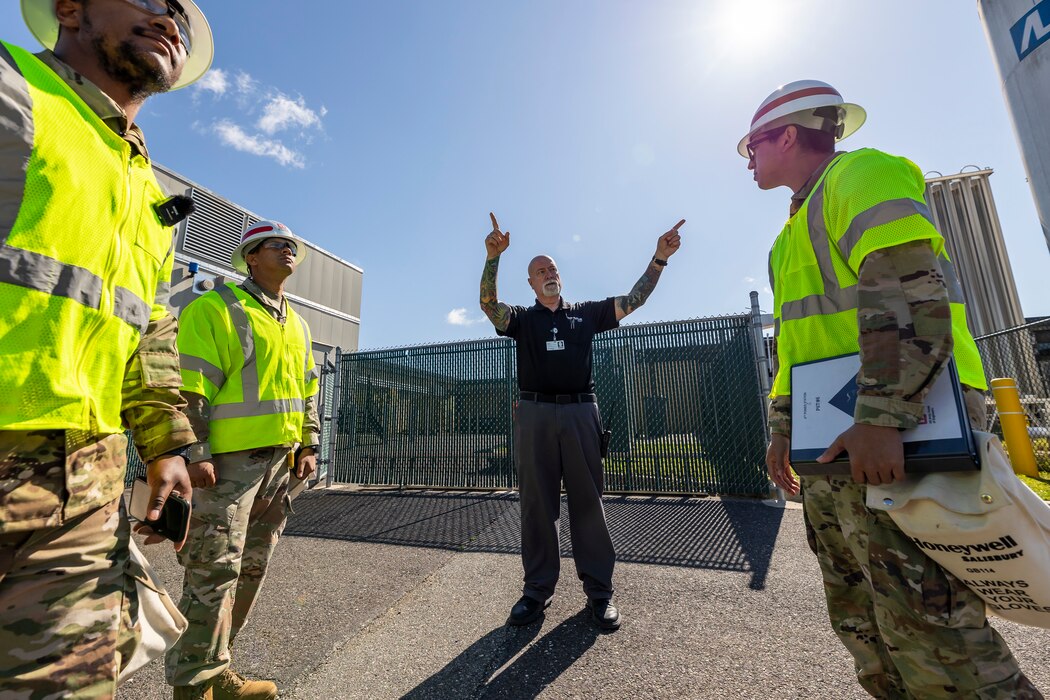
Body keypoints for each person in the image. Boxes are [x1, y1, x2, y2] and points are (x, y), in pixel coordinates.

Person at [747, 79, 1041, 698]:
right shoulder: (784, 239)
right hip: (837, 439)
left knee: (934, 632)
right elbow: (796, 346)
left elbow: (909, 290)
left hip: (904, 422)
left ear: (788, 135)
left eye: (753, 146)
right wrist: (782, 429)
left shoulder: (863, 175)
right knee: (864, 621)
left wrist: (883, 413)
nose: (748, 160)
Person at [0, 0, 213, 696]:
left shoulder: (151, 196)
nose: (170, 20)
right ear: (69, 7)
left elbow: (148, 334)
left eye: (180, 15)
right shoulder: (14, 89)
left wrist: (166, 446)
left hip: (84, 491)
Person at [480, 212, 683, 631]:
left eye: (553, 268)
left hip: (580, 413)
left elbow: (635, 299)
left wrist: (659, 258)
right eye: (540, 271)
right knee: (538, 506)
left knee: (588, 502)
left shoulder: (586, 314)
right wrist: (493, 257)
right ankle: (536, 591)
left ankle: (600, 592)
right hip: (534, 414)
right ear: (531, 284)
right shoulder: (522, 319)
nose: (549, 274)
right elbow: (489, 306)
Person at [166, 220, 320, 700]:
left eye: (291, 246)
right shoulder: (216, 307)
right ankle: (192, 688)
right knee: (212, 571)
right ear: (251, 257)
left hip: (279, 465)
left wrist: (309, 443)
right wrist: (196, 451)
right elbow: (190, 386)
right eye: (277, 245)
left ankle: (218, 672)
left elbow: (308, 388)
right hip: (225, 465)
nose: (288, 251)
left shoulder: (297, 323)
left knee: (251, 569)